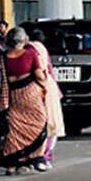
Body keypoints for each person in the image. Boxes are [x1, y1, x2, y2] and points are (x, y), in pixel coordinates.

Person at [0, 27, 49, 174]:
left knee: (15, 128)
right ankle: (36, 159)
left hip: (13, 95)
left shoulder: (3, 57)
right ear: (24, 40)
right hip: (31, 94)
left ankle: (13, 164)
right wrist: (45, 85)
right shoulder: (30, 54)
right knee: (39, 124)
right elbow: (39, 75)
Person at [28, 29, 66, 169]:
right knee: (51, 122)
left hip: (34, 87)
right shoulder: (41, 49)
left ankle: (35, 157)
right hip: (47, 87)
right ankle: (44, 156)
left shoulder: (28, 49)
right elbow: (49, 70)